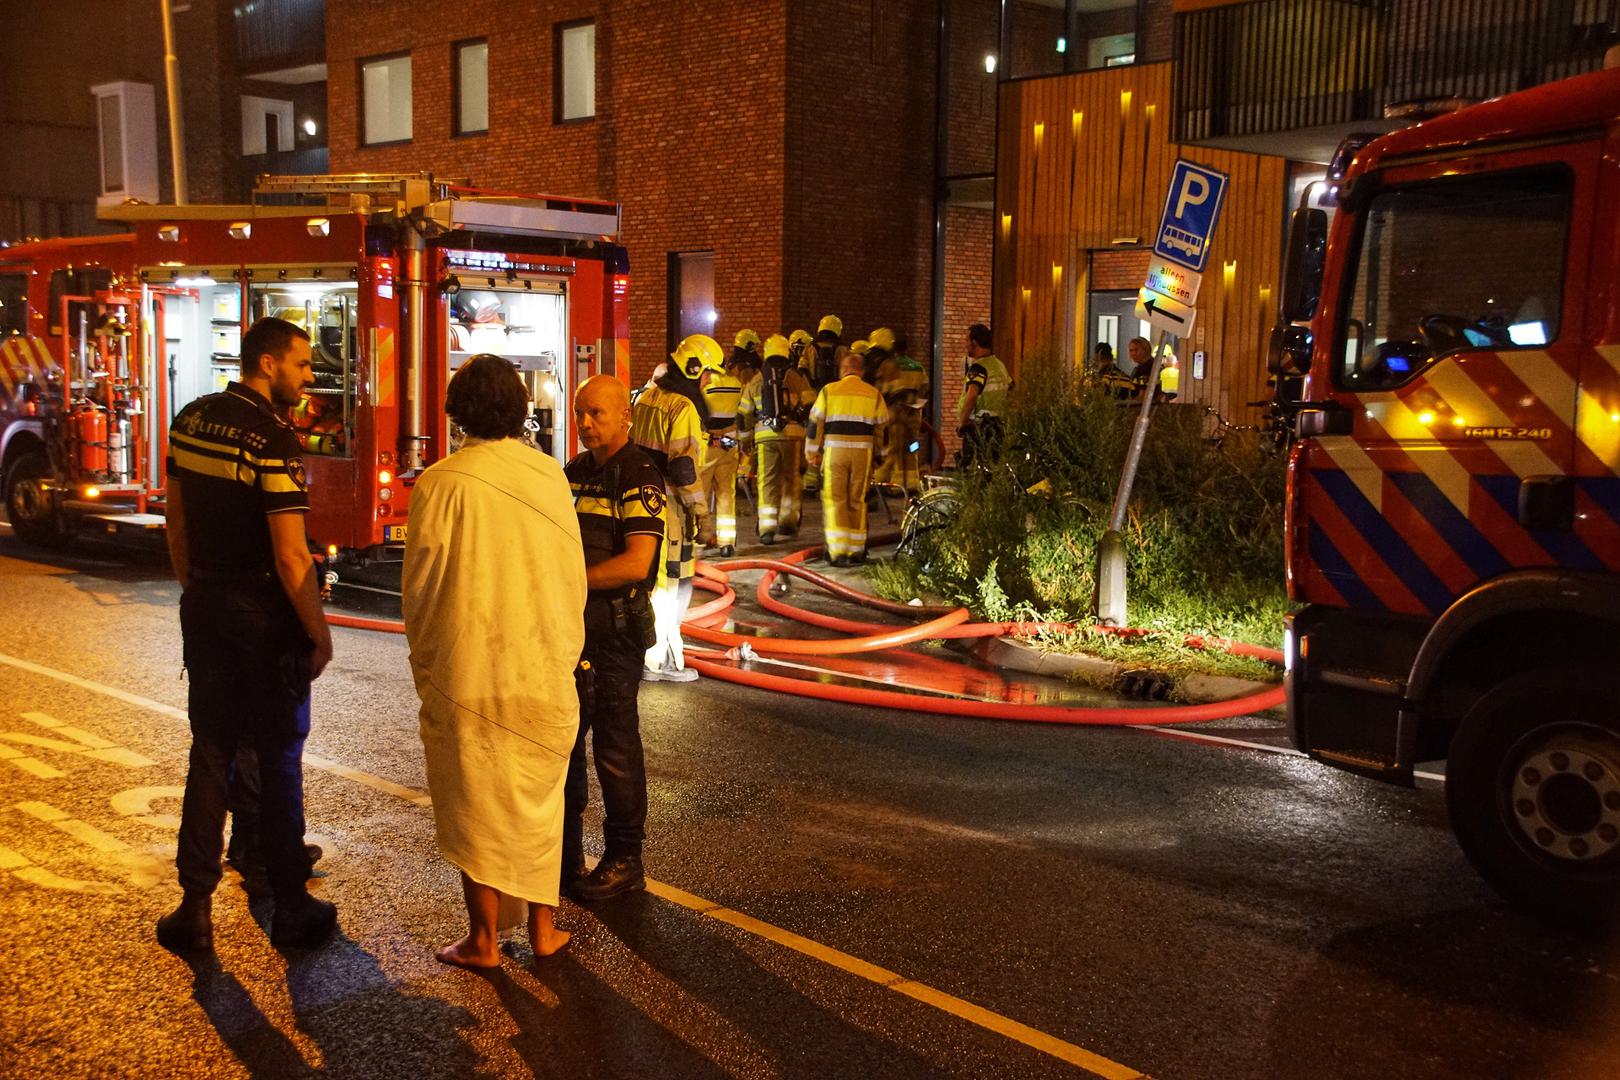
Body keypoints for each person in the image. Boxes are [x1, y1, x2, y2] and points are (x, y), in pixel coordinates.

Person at [157, 315, 337, 952]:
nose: (309, 376)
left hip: (205, 604)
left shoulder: (191, 419)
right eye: (302, 364)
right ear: (268, 365)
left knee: (210, 752)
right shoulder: (272, 439)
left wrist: (196, 589)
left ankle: (193, 907)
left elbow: (176, 521)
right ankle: (291, 905)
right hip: (261, 617)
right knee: (280, 757)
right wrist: (318, 633)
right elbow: (292, 557)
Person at [403, 354, 584, 967]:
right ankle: (543, 929)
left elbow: (422, 588)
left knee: (474, 804)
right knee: (539, 802)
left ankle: (483, 940)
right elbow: (571, 578)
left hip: (469, 672)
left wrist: (428, 662)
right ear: (519, 410)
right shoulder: (549, 477)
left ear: (457, 414)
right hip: (542, 667)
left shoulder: (441, 482)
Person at [563, 375, 666, 902]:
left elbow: (636, 561)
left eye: (596, 414)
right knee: (565, 745)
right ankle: (565, 857)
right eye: (580, 413)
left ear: (624, 416)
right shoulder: (574, 472)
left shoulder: (638, 475)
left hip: (616, 636)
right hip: (574, 631)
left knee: (615, 748)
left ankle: (625, 858)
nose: (584, 423)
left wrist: (566, 580)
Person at [632, 338, 712, 682]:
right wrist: (701, 513)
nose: (710, 380)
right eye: (708, 372)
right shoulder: (683, 407)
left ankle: (643, 653)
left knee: (648, 579)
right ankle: (659, 660)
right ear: (695, 369)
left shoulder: (647, 397)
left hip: (640, 502)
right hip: (671, 509)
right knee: (671, 582)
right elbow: (683, 468)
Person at [806, 351, 888, 566]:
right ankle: (856, 550)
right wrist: (879, 455)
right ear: (861, 371)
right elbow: (882, 429)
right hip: (863, 453)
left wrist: (813, 453)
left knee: (835, 500)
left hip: (836, 452)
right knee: (858, 500)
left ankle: (838, 551)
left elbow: (815, 424)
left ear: (843, 370)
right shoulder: (874, 394)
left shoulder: (829, 391)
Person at [737, 333, 814, 544]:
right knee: (791, 479)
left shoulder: (756, 379)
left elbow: (744, 413)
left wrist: (745, 440)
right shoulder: (796, 377)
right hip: (792, 435)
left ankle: (767, 529)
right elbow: (810, 404)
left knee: (767, 481)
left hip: (765, 437)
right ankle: (788, 522)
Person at [698, 344, 743, 557]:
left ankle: (703, 537)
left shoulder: (706, 384)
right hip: (729, 443)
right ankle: (727, 542)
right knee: (727, 493)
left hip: (709, 444)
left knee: (702, 494)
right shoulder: (735, 383)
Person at [873, 329, 930, 496]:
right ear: (907, 349)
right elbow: (925, 387)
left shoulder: (889, 366)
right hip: (913, 415)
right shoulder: (918, 367)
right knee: (912, 447)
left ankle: (893, 484)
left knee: (893, 447)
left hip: (893, 414)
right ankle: (912, 484)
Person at [955, 323, 1009, 467]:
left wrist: (962, 422)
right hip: (997, 426)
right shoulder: (999, 365)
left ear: (974, 342)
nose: (965, 345)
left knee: (972, 471)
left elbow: (972, 396)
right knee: (992, 468)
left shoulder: (978, 368)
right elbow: (1010, 386)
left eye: (967, 341)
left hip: (978, 428)